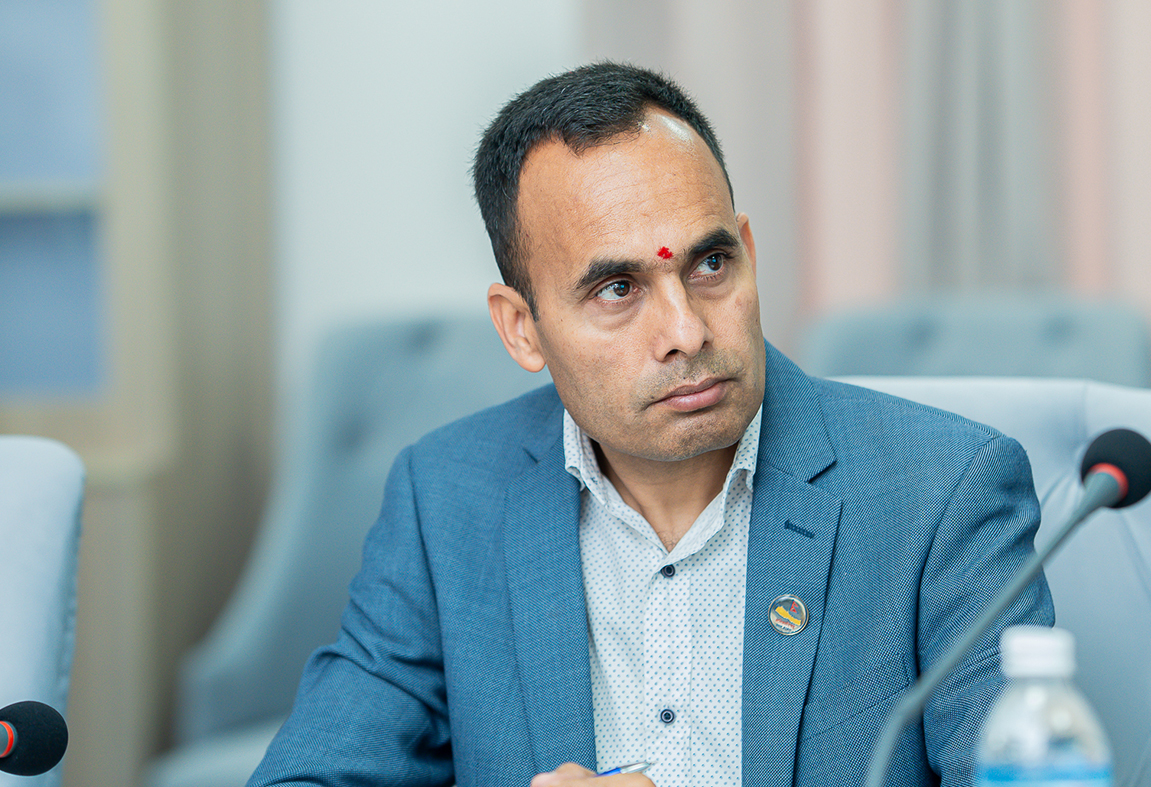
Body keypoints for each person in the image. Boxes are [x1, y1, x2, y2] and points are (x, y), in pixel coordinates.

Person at [247, 62, 1052, 787]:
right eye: (618, 289)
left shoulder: (943, 494)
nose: (687, 332)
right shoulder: (447, 500)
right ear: (522, 328)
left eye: (710, 264)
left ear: (749, 251)